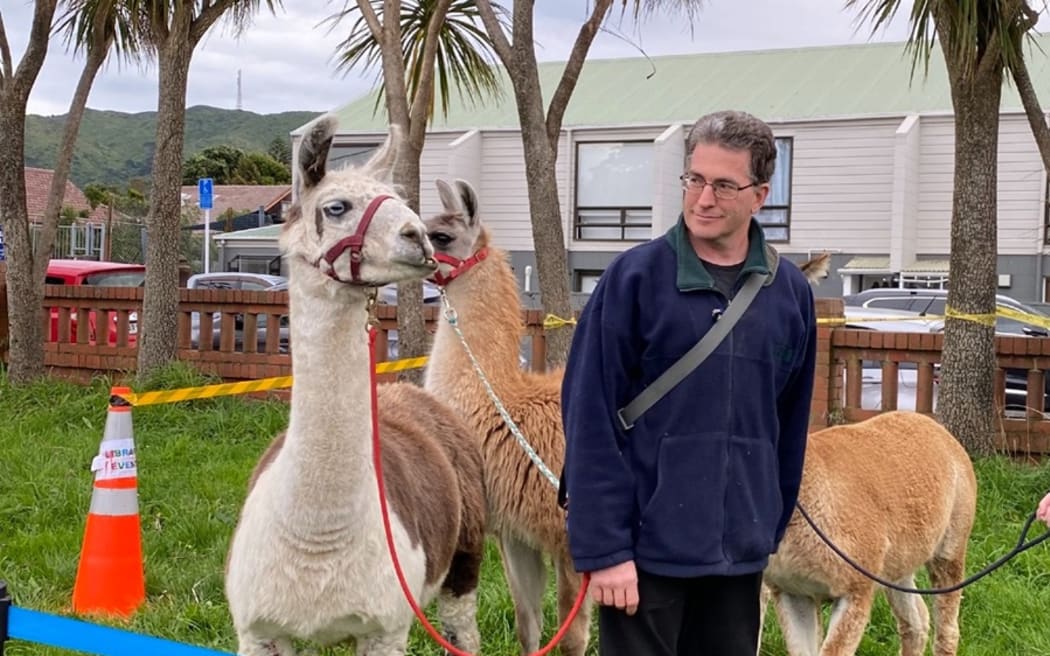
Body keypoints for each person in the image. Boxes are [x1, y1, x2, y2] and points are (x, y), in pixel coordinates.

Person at [560, 110, 817, 656]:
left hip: (738, 556)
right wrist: (605, 550)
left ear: (760, 194)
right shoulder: (632, 280)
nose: (703, 198)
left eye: (724, 185)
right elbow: (590, 419)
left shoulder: (789, 293)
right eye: (695, 179)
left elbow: (788, 428)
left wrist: (764, 528)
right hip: (642, 556)